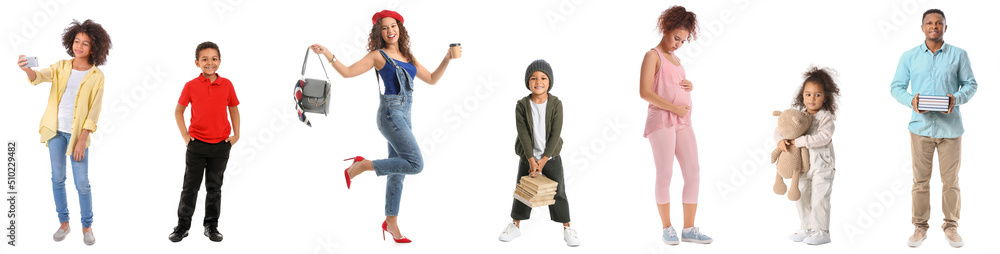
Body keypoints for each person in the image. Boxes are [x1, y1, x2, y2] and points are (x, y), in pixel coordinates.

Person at [309, 9, 458, 243]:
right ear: (379, 32)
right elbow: (347, 72)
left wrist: (447, 59)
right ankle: (362, 165)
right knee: (415, 164)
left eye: (393, 26)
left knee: (399, 173)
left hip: (406, 115)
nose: (390, 31)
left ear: (400, 28)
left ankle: (391, 223)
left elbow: (431, 79)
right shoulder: (378, 56)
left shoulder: (408, 56)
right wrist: (328, 53)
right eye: (384, 27)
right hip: (390, 114)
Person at [17, 19, 111, 246]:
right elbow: (38, 78)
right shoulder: (60, 66)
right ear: (71, 42)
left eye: (85, 43)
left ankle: (87, 226)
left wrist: (82, 140)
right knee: (57, 179)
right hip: (55, 132)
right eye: (76, 41)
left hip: (78, 136)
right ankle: (64, 223)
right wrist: (28, 69)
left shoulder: (97, 76)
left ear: (94, 48)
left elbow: (93, 112)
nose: (79, 46)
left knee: (82, 183)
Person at [889, 8, 977, 248]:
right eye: (929, 23)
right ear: (922, 28)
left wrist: (955, 99)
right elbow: (896, 87)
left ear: (945, 27)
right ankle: (919, 227)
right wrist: (912, 101)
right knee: (920, 181)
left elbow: (971, 84)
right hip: (920, 129)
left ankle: (951, 226)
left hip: (951, 131)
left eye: (939, 23)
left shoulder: (959, 55)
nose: (934, 27)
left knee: (951, 181)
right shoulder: (909, 56)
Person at [638, 5, 713, 245]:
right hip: (662, 120)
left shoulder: (676, 58)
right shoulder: (653, 55)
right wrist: (674, 108)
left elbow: (671, 84)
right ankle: (667, 227)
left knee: (693, 171)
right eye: (676, 38)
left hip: (683, 121)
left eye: (683, 40)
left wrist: (688, 86)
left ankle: (689, 229)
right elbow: (645, 92)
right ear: (665, 28)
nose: (678, 44)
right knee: (665, 173)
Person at [497, 60, 580, 247]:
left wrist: (543, 160)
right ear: (528, 82)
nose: (538, 81)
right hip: (528, 157)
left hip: (550, 157)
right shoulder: (521, 105)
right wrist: (531, 160)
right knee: (523, 191)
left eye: (543, 78)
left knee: (559, 192)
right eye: (533, 78)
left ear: (549, 81)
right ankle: (515, 225)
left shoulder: (556, 103)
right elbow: (523, 133)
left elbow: (555, 133)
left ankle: (567, 228)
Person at [168, 41, 241, 243]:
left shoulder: (227, 84)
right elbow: (178, 111)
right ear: (197, 62)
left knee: (214, 187)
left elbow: (233, 108)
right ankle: (182, 226)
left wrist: (236, 135)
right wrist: (185, 136)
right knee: (190, 187)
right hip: (196, 144)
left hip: (221, 145)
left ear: (220, 60)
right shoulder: (190, 86)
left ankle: (211, 226)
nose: (210, 63)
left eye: (214, 59)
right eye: (205, 59)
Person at [775, 67, 840, 245]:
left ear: (825, 97)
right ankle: (807, 227)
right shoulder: (798, 115)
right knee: (802, 196)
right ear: (802, 96)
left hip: (822, 165)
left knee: (820, 198)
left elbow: (823, 137)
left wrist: (800, 142)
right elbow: (781, 127)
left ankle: (822, 230)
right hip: (802, 166)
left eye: (818, 95)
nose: (812, 99)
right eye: (808, 94)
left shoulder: (825, 117)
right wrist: (780, 140)